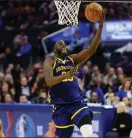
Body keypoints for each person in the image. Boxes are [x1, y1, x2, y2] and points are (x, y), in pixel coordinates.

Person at [43, 9, 107, 138]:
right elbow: (49, 81)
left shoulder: (72, 59)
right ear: (55, 49)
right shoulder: (50, 61)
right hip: (61, 108)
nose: (63, 46)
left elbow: (91, 49)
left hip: (77, 104)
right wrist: (67, 74)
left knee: (88, 134)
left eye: (65, 45)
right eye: (60, 44)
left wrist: (100, 26)